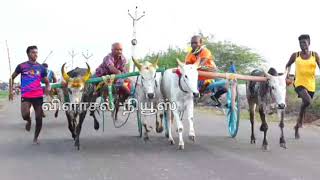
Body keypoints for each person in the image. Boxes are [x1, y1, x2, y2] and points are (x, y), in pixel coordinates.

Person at [9, 46, 50, 144]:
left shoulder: (41, 68)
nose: (35, 54)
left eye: (36, 52)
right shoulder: (22, 66)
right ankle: (28, 120)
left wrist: (48, 87)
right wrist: (10, 90)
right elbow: (12, 78)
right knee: (25, 114)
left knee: (39, 118)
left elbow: (46, 80)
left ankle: (35, 138)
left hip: (38, 95)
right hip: (26, 95)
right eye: (33, 52)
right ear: (28, 54)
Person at [285, 34, 320, 139]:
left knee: (305, 104)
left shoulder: (315, 55)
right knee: (308, 101)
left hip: (311, 85)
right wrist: (287, 74)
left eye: (304, 42)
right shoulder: (295, 55)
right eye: (300, 43)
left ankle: (297, 125)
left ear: (309, 43)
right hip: (299, 83)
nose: (302, 45)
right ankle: (299, 122)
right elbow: (288, 64)